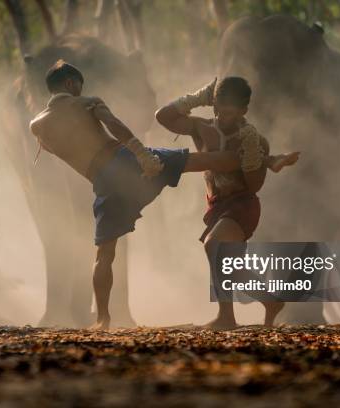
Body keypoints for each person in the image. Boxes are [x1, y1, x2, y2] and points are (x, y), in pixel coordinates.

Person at [30, 60, 259, 329]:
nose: (81, 90)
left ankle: (102, 318)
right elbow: (115, 125)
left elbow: (54, 148)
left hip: (103, 182)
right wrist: (141, 153)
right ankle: (257, 157)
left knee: (104, 255)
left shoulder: (37, 126)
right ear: (70, 83)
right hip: (125, 160)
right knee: (197, 161)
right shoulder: (87, 103)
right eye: (79, 85)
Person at [156, 77, 300, 329]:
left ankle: (226, 317)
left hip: (242, 205)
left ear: (244, 111)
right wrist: (198, 97)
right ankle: (270, 301)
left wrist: (255, 155)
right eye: (218, 110)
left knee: (215, 246)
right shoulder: (203, 128)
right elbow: (163, 117)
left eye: (230, 113)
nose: (223, 118)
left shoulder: (253, 139)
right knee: (230, 265)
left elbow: (254, 186)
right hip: (216, 205)